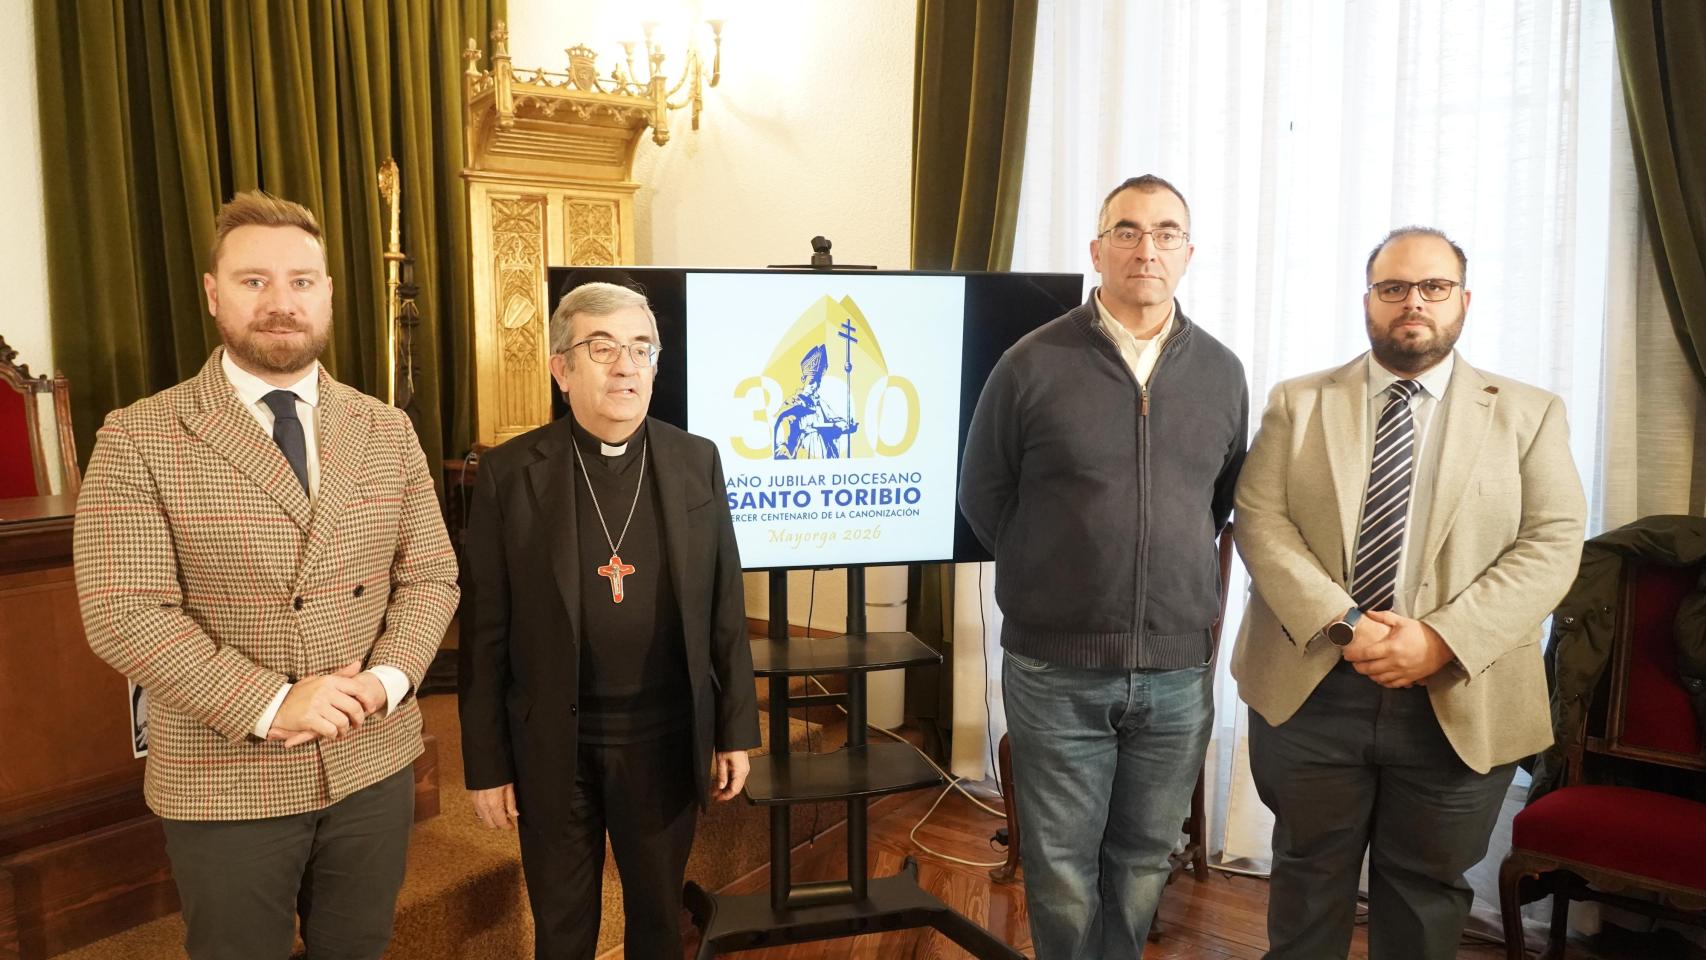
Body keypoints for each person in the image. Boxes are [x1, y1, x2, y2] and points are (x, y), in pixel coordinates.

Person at [73, 190, 459, 960]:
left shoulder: (386, 427)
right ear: (214, 293)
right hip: (226, 773)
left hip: (371, 756)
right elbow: (123, 610)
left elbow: (432, 576)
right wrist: (274, 702)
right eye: (254, 281)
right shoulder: (140, 435)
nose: (281, 303)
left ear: (327, 295)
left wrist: (384, 681)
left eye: (302, 281)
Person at [1231, 226, 1587, 959]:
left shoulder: (1529, 412)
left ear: (1463, 300)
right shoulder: (1298, 403)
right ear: (1368, 301)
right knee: (1306, 875)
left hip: (1458, 693)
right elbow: (1261, 523)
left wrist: (1439, 641)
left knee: (1426, 894)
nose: (1412, 302)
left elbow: (1552, 544)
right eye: (1393, 288)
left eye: (1433, 287)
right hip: (1313, 689)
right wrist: (1343, 623)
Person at [959, 174, 1248, 957]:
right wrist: (1051, 568)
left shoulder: (1222, 373)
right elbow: (983, 491)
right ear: (1097, 250)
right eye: (1127, 230)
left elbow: (1218, 501)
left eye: (1164, 232)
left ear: (1189, 253)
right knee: (1058, 868)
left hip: (1176, 670)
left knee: (1141, 863)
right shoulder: (1029, 364)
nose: (1145, 247)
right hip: (1056, 668)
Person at [459, 281, 760, 960]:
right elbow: (484, 633)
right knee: (563, 930)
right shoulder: (511, 473)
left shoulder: (695, 460)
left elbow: (725, 607)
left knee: (658, 920)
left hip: (662, 739)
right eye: (603, 348)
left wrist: (736, 727)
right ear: (562, 369)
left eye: (641, 348)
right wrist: (486, 763)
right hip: (552, 748)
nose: (626, 366)